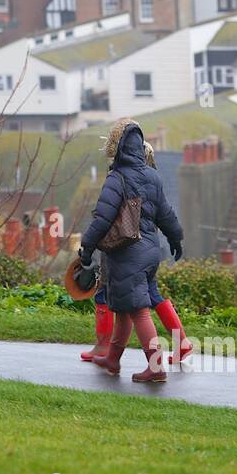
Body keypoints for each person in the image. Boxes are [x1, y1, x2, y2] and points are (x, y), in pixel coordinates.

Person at [77, 118, 184, 382]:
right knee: (123, 307)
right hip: (150, 252)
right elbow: (165, 213)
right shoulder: (152, 176)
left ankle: (156, 368)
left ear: (117, 147)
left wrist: (87, 248)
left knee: (137, 311)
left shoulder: (117, 179)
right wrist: (176, 237)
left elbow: (102, 219)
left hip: (127, 253)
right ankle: (113, 359)